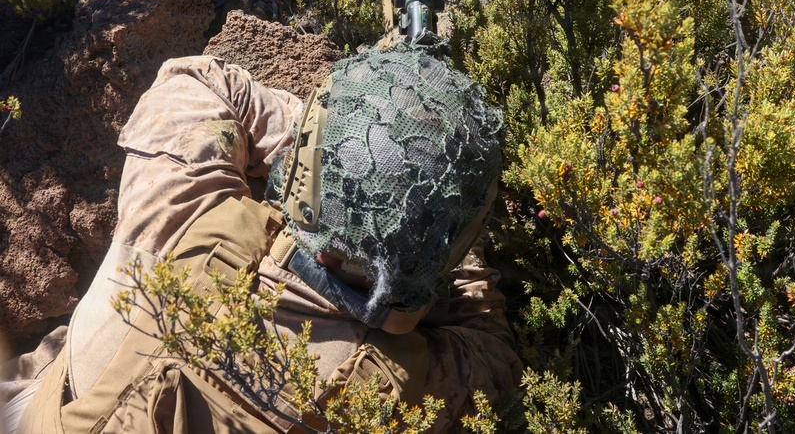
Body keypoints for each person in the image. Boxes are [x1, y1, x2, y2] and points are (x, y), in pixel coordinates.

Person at [6, 42, 523, 433]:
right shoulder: (400, 386)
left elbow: (195, 82)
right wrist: (446, 232)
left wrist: (332, 149)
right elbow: (494, 353)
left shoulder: (182, 216)